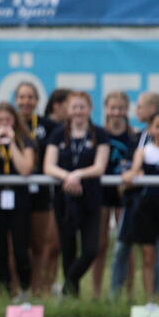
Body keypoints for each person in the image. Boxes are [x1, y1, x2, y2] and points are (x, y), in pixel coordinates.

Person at [44, 91, 109, 297]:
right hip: (65, 200)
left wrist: (79, 174)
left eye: (83, 107)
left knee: (91, 249)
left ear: (90, 109)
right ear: (68, 110)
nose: (79, 111)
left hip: (90, 198)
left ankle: (66, 285)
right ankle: (72, 297)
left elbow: (99, 166)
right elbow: (49, 166)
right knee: (68, 249)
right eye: (75, 107)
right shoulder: (58, 133)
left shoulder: (99, 133)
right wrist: (67, 177)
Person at [111, 91, 159, 298]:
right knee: (128, 249)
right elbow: (130, 170)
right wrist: (132, 173)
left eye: (140, 106)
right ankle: (118, 298)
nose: (136, 110)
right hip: (140, 206)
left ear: (152, 110)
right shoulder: (140, 142)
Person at [0, 102, 35, 298]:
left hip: (19, 198)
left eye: (8, 120)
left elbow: (25, 169)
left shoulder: (24, 139)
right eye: (0, 121)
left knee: (21, 248)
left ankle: (24, 290)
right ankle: (4, 290)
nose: (4, 124)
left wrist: (12, 143)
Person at [14, 81, 60, 297]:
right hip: (14, 192)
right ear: (16, 100)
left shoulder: (47, 125)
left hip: (40, 192)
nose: (26, 101)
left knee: (41, 244)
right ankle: (15, 291)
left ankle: (39, 289)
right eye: (22, 97)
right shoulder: (8, 123)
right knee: (16, 245)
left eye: (30, 97)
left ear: (37, 100)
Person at [91, 91, 136, 298]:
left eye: (120, 108)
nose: (116, 112)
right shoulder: (99, 134)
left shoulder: (133, 135)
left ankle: (127, 293)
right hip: (102, 194)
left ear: (126, 110)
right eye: (112, 108)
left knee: (126, 245)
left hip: (125, 195)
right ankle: (96, 293)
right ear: (106, 109)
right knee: (99, 245)